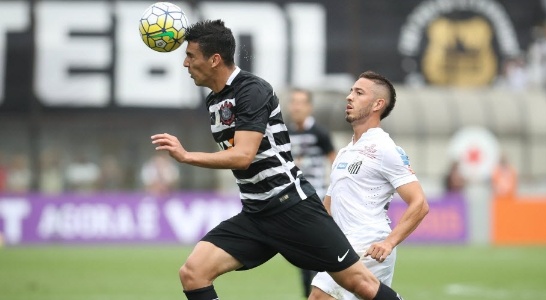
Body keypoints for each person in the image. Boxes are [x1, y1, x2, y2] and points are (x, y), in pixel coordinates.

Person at [151, 20, 407, 300]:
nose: (185, 64)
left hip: (292, 207)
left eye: (190, 56)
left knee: (361, 285)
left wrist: (187, 156)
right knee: (192, 273)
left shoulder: (252, 90)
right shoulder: (214, 100)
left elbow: (244, 156)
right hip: (256, 214)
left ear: (214, 60)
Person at [309, 71, 430, 300]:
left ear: (378, 104)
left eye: (359, 92)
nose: (349, 97)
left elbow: (419, 203)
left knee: (320, 296)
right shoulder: (344, 152)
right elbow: (328, 208)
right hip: (341, 245)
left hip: (367, 244)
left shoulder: (385, 148)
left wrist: (389, 242)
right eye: (351, 91)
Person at [286, 88, 337, 298]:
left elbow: (335, 163)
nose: (297, 107)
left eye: (301, 102)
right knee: (302, 255)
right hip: (295, 201)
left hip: (315, 199)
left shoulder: (319, 133)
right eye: (294, 102)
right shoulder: (286, 133)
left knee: (315, 252)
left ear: (309, 107)